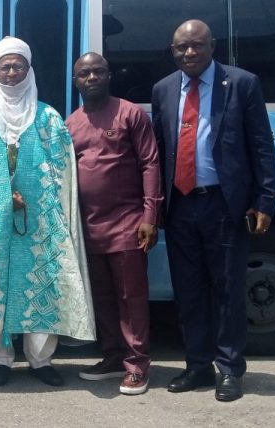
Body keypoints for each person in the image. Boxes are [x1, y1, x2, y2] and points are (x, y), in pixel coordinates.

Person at [0, 37, 95, 387]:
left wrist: (32, 193)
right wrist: (1, 195)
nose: (12, 72)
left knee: (41, 282)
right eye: (5, 66)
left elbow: (61, 172)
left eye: (18, 66)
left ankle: (41, 361)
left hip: (39, 221)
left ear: (29, 70)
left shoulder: (48, 117)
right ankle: (0, 359)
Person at [152, 19, 275, 402]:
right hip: (180, 205)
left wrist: (265, 200)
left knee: (227, 289)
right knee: (187, 291)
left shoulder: (241, 84)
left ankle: (230, 369)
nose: (189, 52)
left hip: (224, 204)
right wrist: (155, 206)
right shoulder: (163, 89)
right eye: (181, 47)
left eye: (197, 45)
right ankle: (197, 366)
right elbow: (159, 152)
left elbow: (261, 145)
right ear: (172, 51)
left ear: (213, 46)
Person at [66, 52, 162, 395]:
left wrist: (150, 216)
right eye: (84, 74)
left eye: (98, 72)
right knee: (103, 297)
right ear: (75, 81)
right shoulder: (71, 123)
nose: (91, 78)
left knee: (130, 297)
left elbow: (150, 164)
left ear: (109, 76)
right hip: (89, 226)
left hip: (127, 222)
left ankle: (137, 364)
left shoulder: (130, 113)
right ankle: (112, 356)